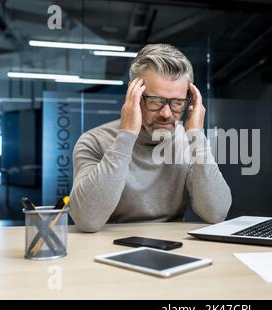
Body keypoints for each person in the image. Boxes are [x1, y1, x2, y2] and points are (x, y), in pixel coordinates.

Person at [69, 43, 232, 232]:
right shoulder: (94, 142)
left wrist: (197, 136)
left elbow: (216, 213)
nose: (166, 113)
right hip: (107, 249)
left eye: (177, 102)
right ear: (134, 95)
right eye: (155, 101)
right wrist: (126, 135)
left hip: (172, 248)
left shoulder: (189, 142)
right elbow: (87, 220)